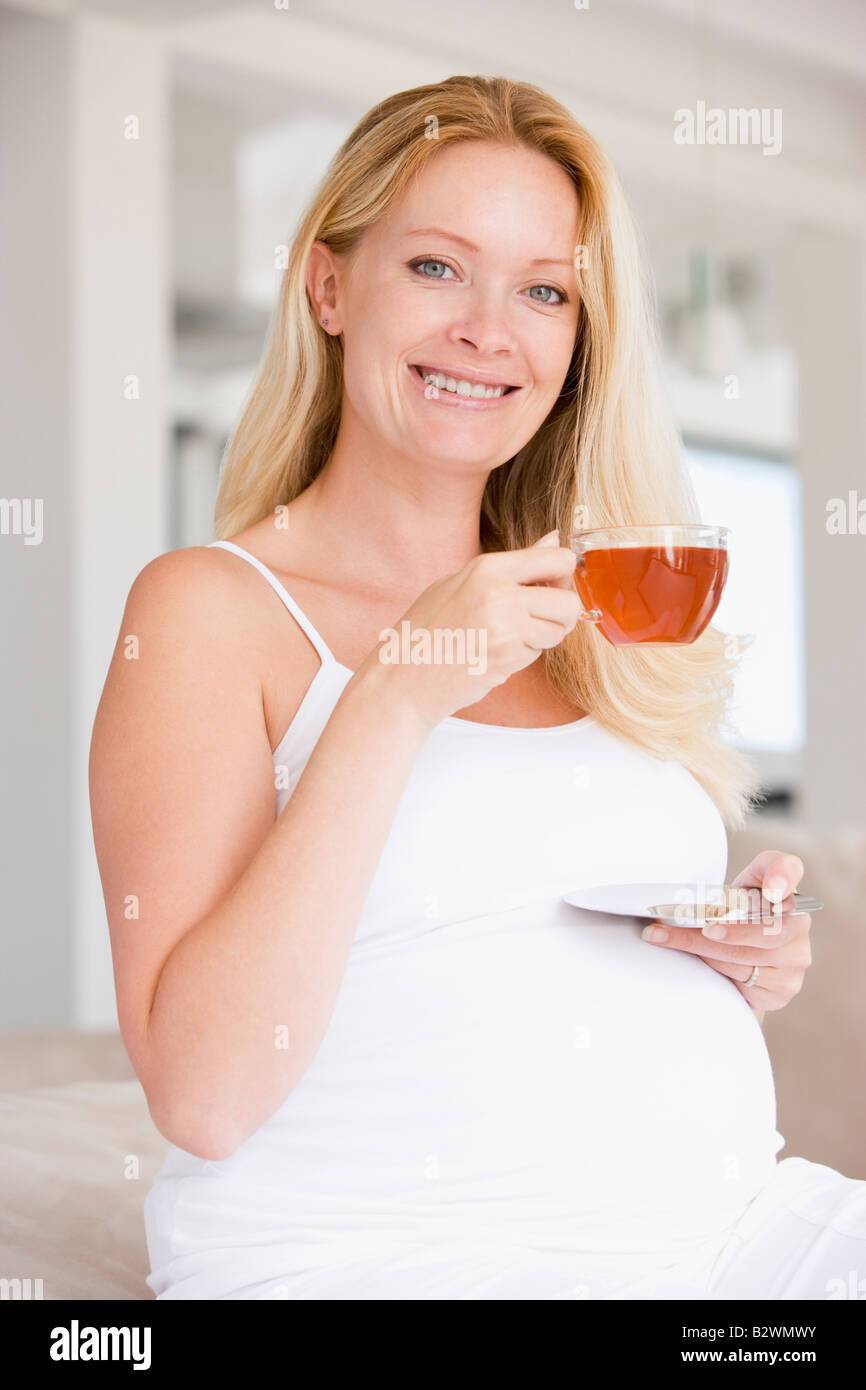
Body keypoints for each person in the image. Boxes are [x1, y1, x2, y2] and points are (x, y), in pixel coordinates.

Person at [89, 75, 864, 1300]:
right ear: (329, 284)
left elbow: (493, 958)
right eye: (439, 268)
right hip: (387, 1259)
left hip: (727, 1236)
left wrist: (727, 960)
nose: (487, 330)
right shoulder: (208, 609)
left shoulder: (591, 613)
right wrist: (396, 691)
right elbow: (204, 1092)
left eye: (543, 290)